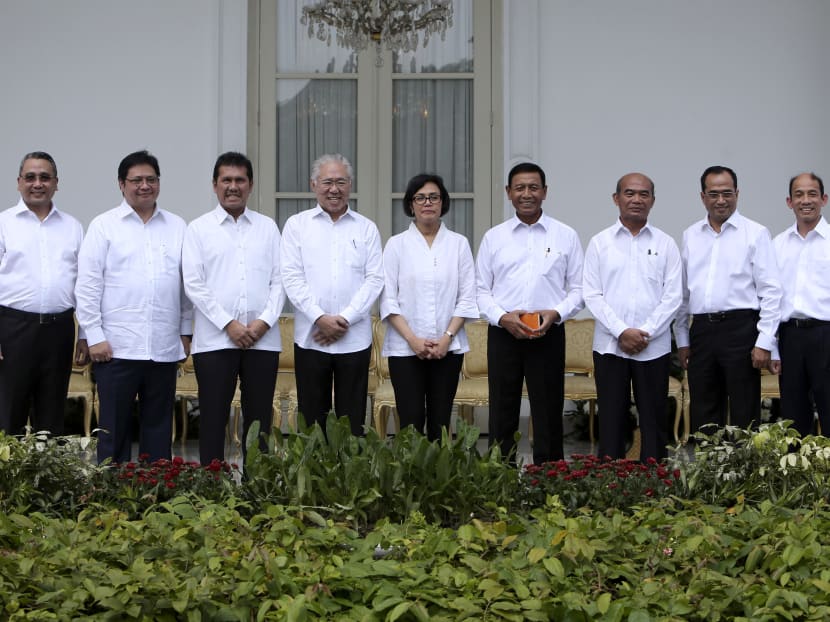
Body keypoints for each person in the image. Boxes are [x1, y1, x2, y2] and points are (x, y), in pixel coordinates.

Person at [76, 150, 192, 464]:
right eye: (136, 180)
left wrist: (185, 331)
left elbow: (185, 285)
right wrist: (94, 335)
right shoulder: (104, 226)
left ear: (159, 183)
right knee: (114, 431)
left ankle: (155, 497)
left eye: (151, 179)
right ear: (121, 184)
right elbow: (88, 286)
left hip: (163, 347)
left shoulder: (177, 226)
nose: (144, 186)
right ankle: (112, 500)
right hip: (116, 349)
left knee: (158, 431)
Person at [476, 162, 584, 464]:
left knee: (548, 410)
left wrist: (556, 313)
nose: (527, 194)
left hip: (548, 333)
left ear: (545, 192)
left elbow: (579, 289)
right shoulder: (494, 238)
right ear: (508, 193)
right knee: (502, 409)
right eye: (520, 188)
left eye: (533, 187)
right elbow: (480, 290)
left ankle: (548, 481)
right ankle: (501, 478)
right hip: (504, 333)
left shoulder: (565, 236)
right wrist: (502, 317)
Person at [183, 152, 285, 463]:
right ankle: (212, 493)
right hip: (215, 341)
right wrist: (230, 324)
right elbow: (194, 284)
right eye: (226, 180)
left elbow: (281, 281)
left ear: (250, 185)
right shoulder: (198, 230)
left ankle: (257, 489)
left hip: (262, 341)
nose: (233, 186)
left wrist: (263, 323)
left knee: (259, 425)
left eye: (240, 180)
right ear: (214, 185)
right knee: (213, 419)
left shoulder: (268, 228)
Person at [280, 154, 383, 434]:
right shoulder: (297, 226)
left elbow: (375, 279)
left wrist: (344, 320)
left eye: (340, 182)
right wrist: (319, 318)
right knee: (313, 421)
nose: (333, 189)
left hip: (354, 339)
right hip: (311, 339)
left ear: (350, 185)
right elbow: (291, 276)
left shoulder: (366, 228)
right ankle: (314, 478)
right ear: (313, 184)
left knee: (352, 424)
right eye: (327, 182)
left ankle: (351, 478)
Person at [674, 165, 781, 434]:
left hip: (741, 329)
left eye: (727, 193)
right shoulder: (690, 235)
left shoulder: (755, 233)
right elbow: (683, 294)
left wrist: (764, 341)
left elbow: (771, 291)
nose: (721, 200)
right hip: (702, 332)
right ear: (702, 197)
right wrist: (683, 340)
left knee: (745, 411)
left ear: (737, 193)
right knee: (704, 409)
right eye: (713, 194)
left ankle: (745, 474)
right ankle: (709, 473)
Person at [583, 173, 682, 460]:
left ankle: (653, 484)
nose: (636, 199)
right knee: (611, 421)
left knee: (653, 422)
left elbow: (673, 296)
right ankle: (608, 485)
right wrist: (621, 331)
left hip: (653, 348)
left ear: (652, 200)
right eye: (629, 193)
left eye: (643, 194)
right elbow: (592, 294)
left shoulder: (666, 244)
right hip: (610, 347)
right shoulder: (600, 243)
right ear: (616, 199)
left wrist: (645, 332)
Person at [380, 173, 478, 441]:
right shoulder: (396, 245)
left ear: (442, 202)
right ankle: (411, 481)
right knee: (410, 423)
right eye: (420, 197)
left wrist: (447, 338)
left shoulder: (459, 244)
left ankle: (439, 481)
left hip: (448, 348)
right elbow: (388, 299)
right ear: (411, 204)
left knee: (441, 422)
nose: (427, 203)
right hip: (405, 348)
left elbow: (467, 297)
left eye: (433, 197)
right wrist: (413, 340)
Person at [0, 151, 88, 436]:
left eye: (45, 177)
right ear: (18, 182)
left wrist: (85, 335)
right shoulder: (4, 224)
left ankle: (47, 482)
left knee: (51, 418)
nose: (37, 183)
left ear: (56, 183)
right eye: (30, 177)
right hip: (13, 328)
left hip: (59, 329)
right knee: (8, 413)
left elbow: (84, 286)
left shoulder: (72, 227)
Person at [770, 172, 830, 436]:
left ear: (824, 199)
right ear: (789, 201)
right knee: (794, 416)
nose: (806, 200)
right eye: (799, 194)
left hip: (826, 334)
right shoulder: (777, 244)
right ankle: (798, 476)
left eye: (812, 194)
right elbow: (770, 298)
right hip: (790, 336)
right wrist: (772, 346)